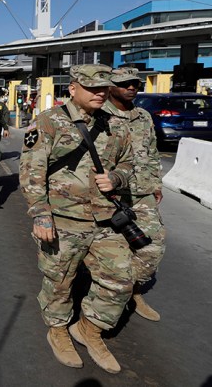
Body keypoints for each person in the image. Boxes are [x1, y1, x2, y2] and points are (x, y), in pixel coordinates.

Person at [19, 64, 134, 373]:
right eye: (92, 88)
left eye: (104, 88)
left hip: (106, 219)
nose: (100, 93)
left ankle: (90, 329)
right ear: (72, 88)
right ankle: (58, 329)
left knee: (121, 279)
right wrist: (41, 213)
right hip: (63, 219)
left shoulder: (114, 124)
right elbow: (31, 172)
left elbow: (127, 162)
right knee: (60, 281)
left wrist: (117, 178)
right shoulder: (48, 122)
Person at [106, 67, 166, 322]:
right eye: (125, 83)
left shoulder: (143, 116)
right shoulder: (98, 116)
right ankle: (105, 299)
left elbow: (151, 152)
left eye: (136, 84)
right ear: (110, 86)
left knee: (153, 246)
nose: (132, 87)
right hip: (110, 195)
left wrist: (156, 184)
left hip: (141, 192)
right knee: (110, 251)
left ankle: (133, 291)